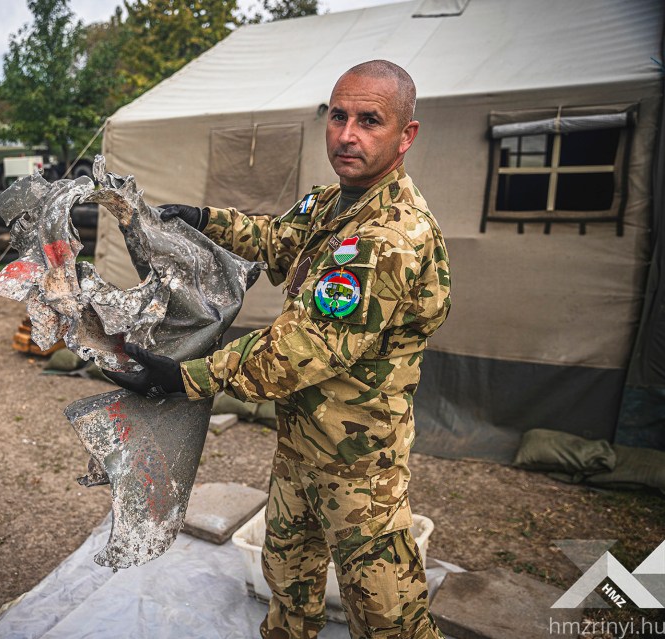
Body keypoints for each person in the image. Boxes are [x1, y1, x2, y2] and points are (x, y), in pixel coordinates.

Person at [108, 60, 451, 639]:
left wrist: (188, 377)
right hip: (300, 448)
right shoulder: (333, 205)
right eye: (338, 116)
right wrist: (201, 219)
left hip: (358, 468)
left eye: (370, 120)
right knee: (287, 586)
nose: (348, 134)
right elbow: (275, 238)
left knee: (389, 618)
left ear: (405, 136)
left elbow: (303, 348)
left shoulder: (389, 236)